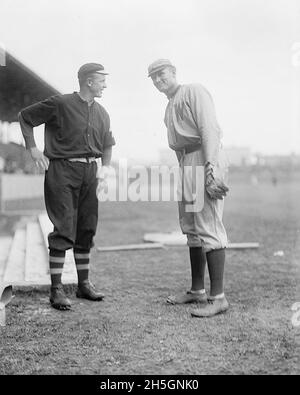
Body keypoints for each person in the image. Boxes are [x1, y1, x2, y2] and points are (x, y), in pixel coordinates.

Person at [18, 63, 115, 311]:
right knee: (63, 227)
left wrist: (105, 166)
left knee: (86, 227)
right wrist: (32, 147)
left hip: (90, 173)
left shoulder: (102, 112)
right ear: (89, 82)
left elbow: (107, 143)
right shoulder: (60, 104)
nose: (105, 85)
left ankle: (84, 285)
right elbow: (25, 117)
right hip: (62, 170)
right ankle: (56, 289)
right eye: (102, 81)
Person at [148, 59, 229, 318]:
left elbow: (209, 130)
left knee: (209, 225)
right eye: (154, 78)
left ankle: (219, 298)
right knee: (191, 226)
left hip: (203, 156)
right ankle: (197, 290)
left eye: (162, 74)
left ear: (173, 72)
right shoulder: (168, 107)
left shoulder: (193, 91)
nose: (159, 80)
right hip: (186, 162)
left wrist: (211, 168)